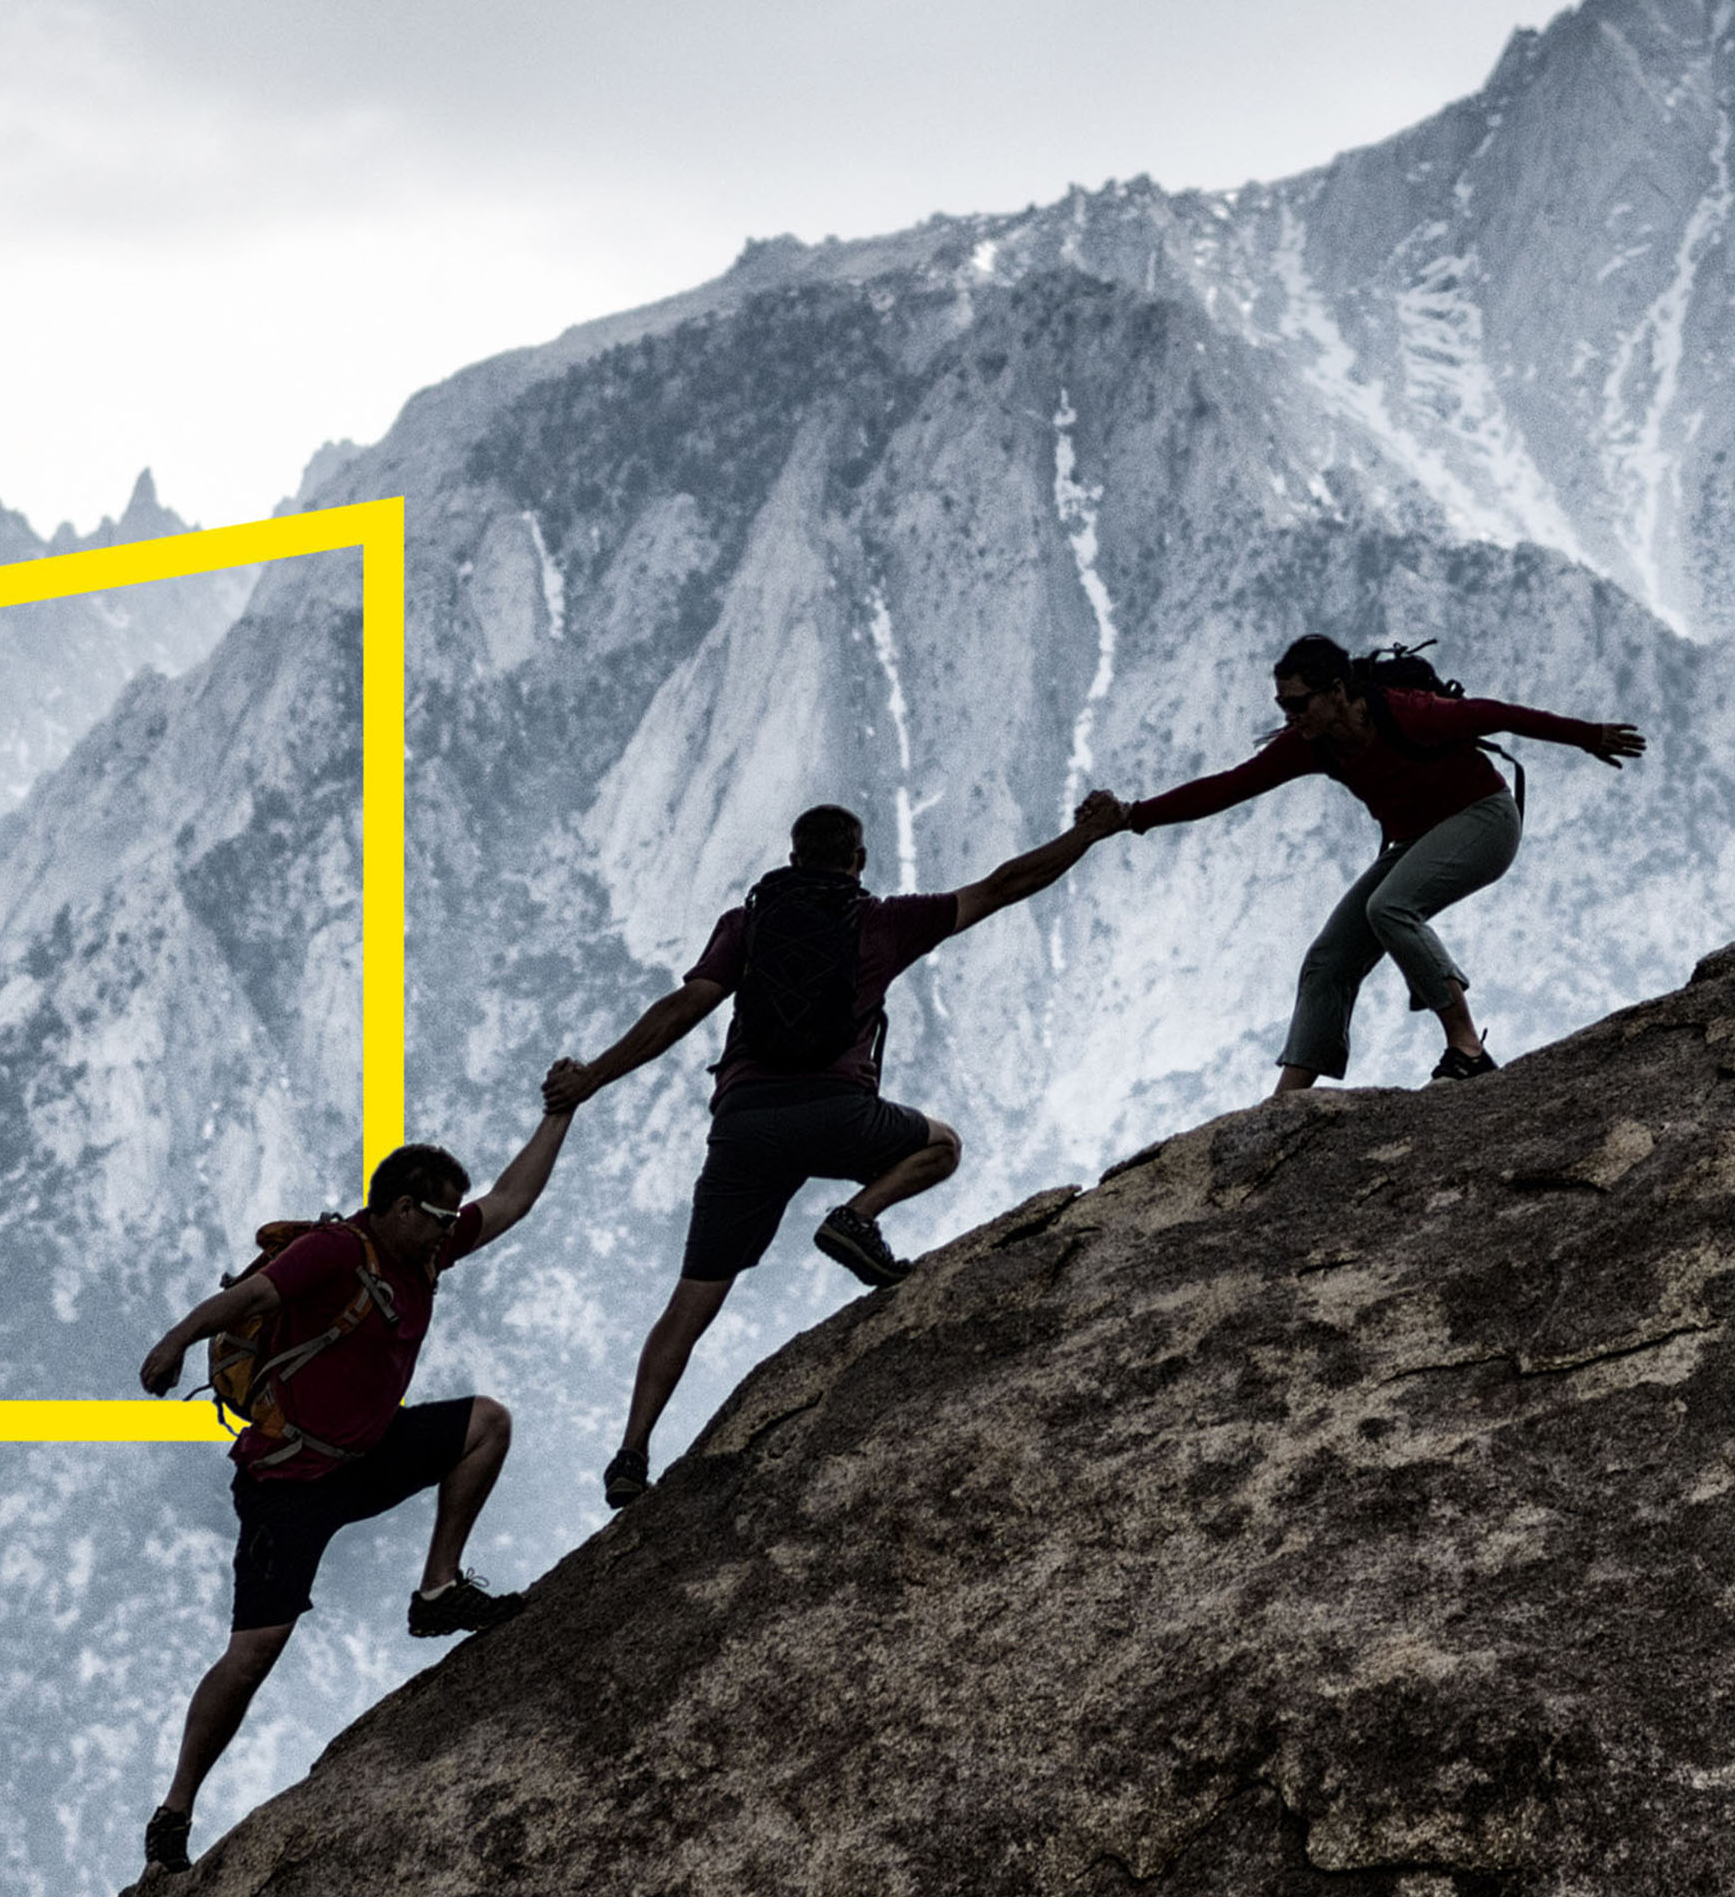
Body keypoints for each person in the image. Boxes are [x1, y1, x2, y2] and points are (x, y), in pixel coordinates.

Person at [551, 792, 1126, 1511]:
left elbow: (681, 1009)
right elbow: (1005, 885)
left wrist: (592, 1077)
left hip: (745, 1125)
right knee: (941, 1145)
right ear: (858, 861)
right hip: (838, 1113)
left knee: (693, 1299)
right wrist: (1087, 836)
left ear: (793, 860)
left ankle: (632, 1452)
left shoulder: (748, 924)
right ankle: (856, 1217)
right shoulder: (884, 919)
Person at [130, 1104, 577, 1876]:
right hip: (288, 1482)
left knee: (486, 1426)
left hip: (366, 1453)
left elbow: (508, 1202)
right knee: (253, 1652)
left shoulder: (425, 1256)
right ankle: (174, 1811)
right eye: (439, 1215)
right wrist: (176, 1341)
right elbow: (251, 1300)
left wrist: (560, 1114)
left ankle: (438, 1590)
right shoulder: (340, 1249)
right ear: (402, 1207)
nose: (450, 1229)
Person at [1118, 635, 1645, 1095]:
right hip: (1416, 839)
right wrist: (1132, 815)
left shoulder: (1408, 712)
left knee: (1390, 907)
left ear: (1337, 691)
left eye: (1298, 703)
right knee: (1328, 958)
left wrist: (1587, 735)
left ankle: (1467, 1049)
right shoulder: (1309, 743)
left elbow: (1499, 714)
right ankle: (1286, 1103)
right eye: (1283, 707)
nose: (1290, 718)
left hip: (1484, 820)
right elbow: (1226, 787)